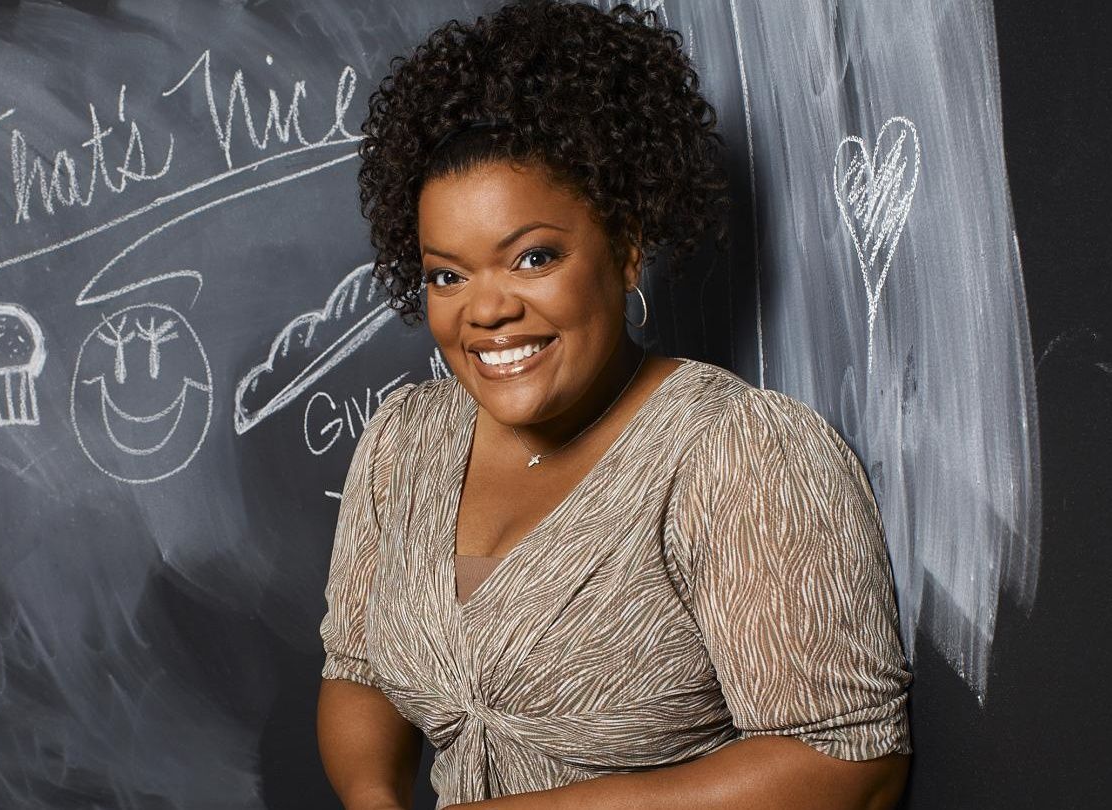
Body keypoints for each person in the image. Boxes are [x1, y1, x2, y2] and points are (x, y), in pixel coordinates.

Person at [317, 2, 912, 807]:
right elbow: (356, 672)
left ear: (626, 248)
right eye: (446, 275)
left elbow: (850, 765)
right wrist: (373, 800)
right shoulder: (404, 444)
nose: (483, 310)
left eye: (532, 257)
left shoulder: (737, 454)